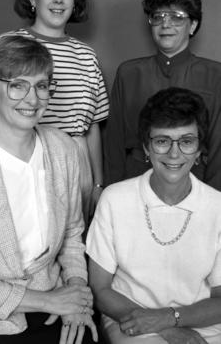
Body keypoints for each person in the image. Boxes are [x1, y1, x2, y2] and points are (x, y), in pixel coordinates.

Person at [0, 35, 98, 344]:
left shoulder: (64, 149)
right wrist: (50, 301)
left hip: (56, 292)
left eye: (41, 85)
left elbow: (72, 233)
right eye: (18, 85)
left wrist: (76, 294)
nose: (32, 99)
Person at [0, 0, 109, 228]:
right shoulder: (10, 44)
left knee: (73, 246)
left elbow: (92, 126)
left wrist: (97, 184)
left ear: (76, 0)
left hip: (78, 162)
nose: (58, 0)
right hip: (25, 158)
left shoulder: (86, 55)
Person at [87, 87, 221, 344]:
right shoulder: (114, 199)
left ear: (198, 149)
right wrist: (165, 328)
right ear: (146, 148)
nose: (174, 153)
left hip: (201, 322)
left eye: (186, 141)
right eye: (162, 141)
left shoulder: (218, 207)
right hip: (129, 318)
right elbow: (101, 288)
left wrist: (170, 319)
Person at [104, 0, 221, 191]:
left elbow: (219, 149)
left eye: (176, 16)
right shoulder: (129, 73)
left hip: (196, 184)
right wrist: (113, 193)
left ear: (193, 24)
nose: (165, 24)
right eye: (158, 16)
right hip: (135, 182)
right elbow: (114, 145)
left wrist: (215, 202)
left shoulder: (215, 75)